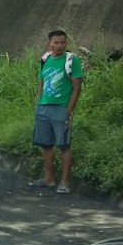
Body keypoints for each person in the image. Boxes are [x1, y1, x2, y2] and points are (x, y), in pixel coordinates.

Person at [29, 30, 83, 194]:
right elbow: (42, 82)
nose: (59, 46)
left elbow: (77, 87)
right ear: (50, 44)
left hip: (61, 108)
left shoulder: (71, 60)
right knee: (46, 145)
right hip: (44, 107)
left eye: (63, 43)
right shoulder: (45, 59)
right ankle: (49, 179)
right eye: (56, 43)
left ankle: (65, 182)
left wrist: (69, 110)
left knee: (64, 145)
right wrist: (38, 104)